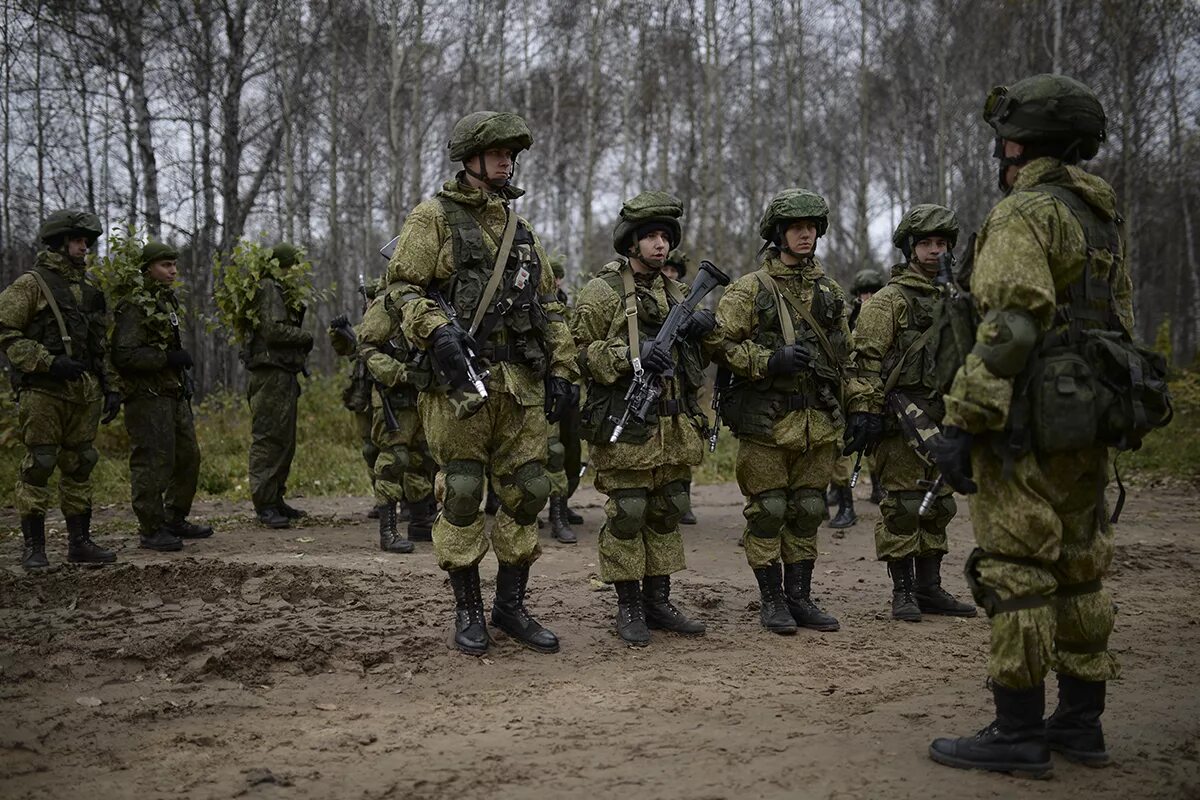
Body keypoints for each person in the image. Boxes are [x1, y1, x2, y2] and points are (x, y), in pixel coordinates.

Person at [928, 74, 1138, 776]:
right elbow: (1120, 327)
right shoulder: (1099, 216)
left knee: (1016, 567)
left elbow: (1011, 327)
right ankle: (1080, 724)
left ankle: (1016, 729)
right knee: (1080, 569)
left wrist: (963, 422)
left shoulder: (1024, 214)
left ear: (1016, 142)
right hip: (1088, 420)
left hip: (1025, 422)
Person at [387, 110, 578, 657]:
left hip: (520, 386)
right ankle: (468, 610)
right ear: (468, 158)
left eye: (511, 153)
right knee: (464, 493)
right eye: (495, 151)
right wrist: (437, 331)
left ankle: (510, 606)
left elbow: (549, 307)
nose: (506, 160)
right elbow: (401, 287)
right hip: (460, 387)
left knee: (526, 495)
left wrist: (563, 369)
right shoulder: (434, 218)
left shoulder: (522, 232)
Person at [572, 191, 716, 646]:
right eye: (650, 236)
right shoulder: (602, 292)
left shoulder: (679, 292)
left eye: (664, 237)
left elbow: (712, 351)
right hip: (627, 425)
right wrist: (632, 354)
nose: (659, 244)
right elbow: (576, 353)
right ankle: (629, 606)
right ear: (631, 242)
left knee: (667, 511)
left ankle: (659, 602)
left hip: (673, 427)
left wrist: (705, 329)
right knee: (628, 513)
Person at [714, 188, 845, 635]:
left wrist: (858, 407)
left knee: (808, 508)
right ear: (778, 234)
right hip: (768, 422)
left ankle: (800, 597)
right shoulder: (750, 289)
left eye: (811, 227)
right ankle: (772, 600)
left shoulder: (829, 292)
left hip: (817, 421)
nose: (805, 234)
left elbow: (847, 356)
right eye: (795, 228)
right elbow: (720, 342)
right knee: (769, 509)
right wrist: (768, 361)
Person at [843, 206, 976, 622]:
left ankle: (930, 588)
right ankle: (903, 592)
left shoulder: (957, 300)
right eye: (925, 244)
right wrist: (864, 412)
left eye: (941, 244)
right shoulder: (887, 301)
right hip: (901, 416)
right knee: (903, 505)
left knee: (939, 504)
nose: (935, 251)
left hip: (947, 413)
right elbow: (863, 361)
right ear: (909, 249)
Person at [0, 210, 120, 569]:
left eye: (87, 242)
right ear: (59, 242)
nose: (85, 248)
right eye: (79, 241)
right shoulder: (31, 284)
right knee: (40, 464)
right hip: (44, 392)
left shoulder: (89, 290)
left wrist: (111, 387)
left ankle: (79, 543)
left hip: (83, 393)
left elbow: (101, 346)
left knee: (80, 463)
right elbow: (6, 334)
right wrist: (48, 362)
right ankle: (34, 547)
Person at [111, 241, 212, 552]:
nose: (173, 271)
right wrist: (166, 359)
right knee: (153, 461)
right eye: (165, 265)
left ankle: (174, 517)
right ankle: (151, 528)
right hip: (147, 396)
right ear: (147, 269)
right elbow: (124, 355)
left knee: (188, 456)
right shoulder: (134, 306)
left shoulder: (165, 303)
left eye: (174, 265)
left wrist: (181, 373)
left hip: (172, 392)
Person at [353, 282, 440, 554]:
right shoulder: (386, 303)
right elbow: (366, 345)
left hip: (422, 393)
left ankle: (420, 521)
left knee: (420, 459)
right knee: (394, 459)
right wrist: (399, 373)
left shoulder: (430, 299)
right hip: (393, 395)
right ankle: (388, 530)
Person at [241, 243, 313, 529]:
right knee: (269, 438)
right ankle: (264, 504)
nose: (296, 271)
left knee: (284, 440)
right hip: (270, 375)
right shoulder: (269, 287)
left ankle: (275, 498)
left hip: (282, 374)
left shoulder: (279, 289)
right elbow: (272, 330)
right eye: (293, 265)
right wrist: (303, 336)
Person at [827, 266, 887, 529]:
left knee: (872, 445)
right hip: (846, 386)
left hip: (875, 387)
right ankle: (843, 501)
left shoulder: (886, 313)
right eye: (864, 292)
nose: (868, 297)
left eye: (873, 291)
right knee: (839, 446)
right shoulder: (849, 316)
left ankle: (875, 489)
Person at [328, 279, 382, 521]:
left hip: (388, 396)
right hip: (363, 397)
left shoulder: (389, 325)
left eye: (372, 299)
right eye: (367, 301)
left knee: (401, 451)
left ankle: (412, 504)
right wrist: (337, 331)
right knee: (370, 449)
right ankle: (382, 499)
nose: (369, 304)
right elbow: (344, 349)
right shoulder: (360, 329)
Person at [660, 248, 698, 526]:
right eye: (666, 270)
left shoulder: (686, 297)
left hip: (683, 381)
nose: (669, 274)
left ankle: (683, 501)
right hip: (659, 377)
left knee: (684, 445)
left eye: (674, 271)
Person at [544, 253, 580, 544]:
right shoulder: (538, 307)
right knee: (553, 452)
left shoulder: (569, 311)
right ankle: (557, 517)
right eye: (551, 276)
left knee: (571, 453)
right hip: (544, 390)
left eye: (558, 276)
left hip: (570, 389)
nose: (555, 281)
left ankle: (564, 503)